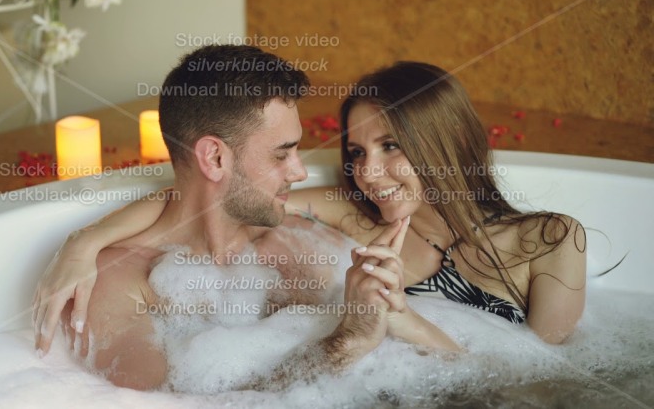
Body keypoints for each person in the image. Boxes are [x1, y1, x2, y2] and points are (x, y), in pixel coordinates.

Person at [35, 59, 586, 351]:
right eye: (356, 151)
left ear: (444, 140)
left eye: (391, 146)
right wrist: (86, 241)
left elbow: (542, 383)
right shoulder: (357, 219)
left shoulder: (551, 242)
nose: (368, 173)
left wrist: (405, 323)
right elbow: (212, 197)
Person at [33, 45, 460, 390]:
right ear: (215, 158)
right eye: (282, 154)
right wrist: (346, 343)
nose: (300, 171)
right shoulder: (119, 280)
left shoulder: (296, 239)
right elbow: (167, 404)